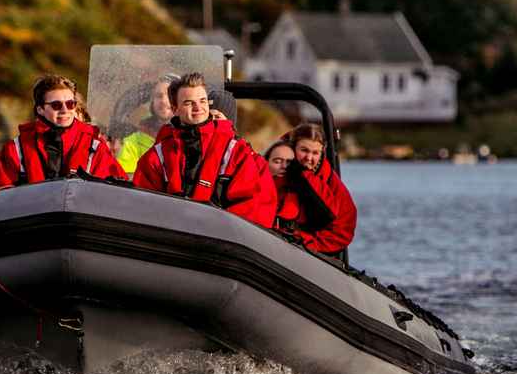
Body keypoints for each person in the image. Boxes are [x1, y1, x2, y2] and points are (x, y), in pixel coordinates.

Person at [132, 72, 276, 227]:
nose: (198, 108)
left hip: (222, 242)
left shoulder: (236, 152)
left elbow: (252, 208)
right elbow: (144, 206)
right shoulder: (158, 156)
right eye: (189, 103)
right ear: (175, 109)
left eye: (202, 101)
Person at [0, 74, 126, 191]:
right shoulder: (15, 149)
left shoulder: (95, 144)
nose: (65, 110)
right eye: (56, 105)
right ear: (40, 109)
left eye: (71, 104)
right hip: (33, 220)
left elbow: (119, 190)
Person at [282, 122, 356, 256]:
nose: (309, 158)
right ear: (293, 147)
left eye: (315, 153)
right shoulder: (279, 163)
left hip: (318, 245)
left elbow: (343, 229)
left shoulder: (324, 181)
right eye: (304, 150)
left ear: (322, 153)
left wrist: (305, 241)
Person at [114, 73, 178, 175]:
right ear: (153, 102)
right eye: (159, 96)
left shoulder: (192, 140)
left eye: (170, 95)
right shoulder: (133, 143)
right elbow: (125, 180)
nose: (164, 101)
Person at [263, 138, 302, 232]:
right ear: (265, 162)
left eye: (289, 162)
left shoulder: (303, 191)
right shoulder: (254, 187)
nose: (284, 166)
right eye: (277, 161)